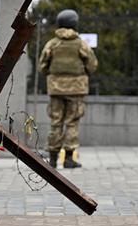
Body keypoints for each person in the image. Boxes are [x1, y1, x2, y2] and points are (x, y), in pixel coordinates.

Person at [39, 9, 98, 169]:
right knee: (72, 123)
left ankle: (52, 159)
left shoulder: (52, 44)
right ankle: (69, 159)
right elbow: (92, 65)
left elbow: (42, 66)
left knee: (56, 122)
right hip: (76, 90)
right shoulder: (81, 44)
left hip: (56, 89)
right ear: (75, 24)